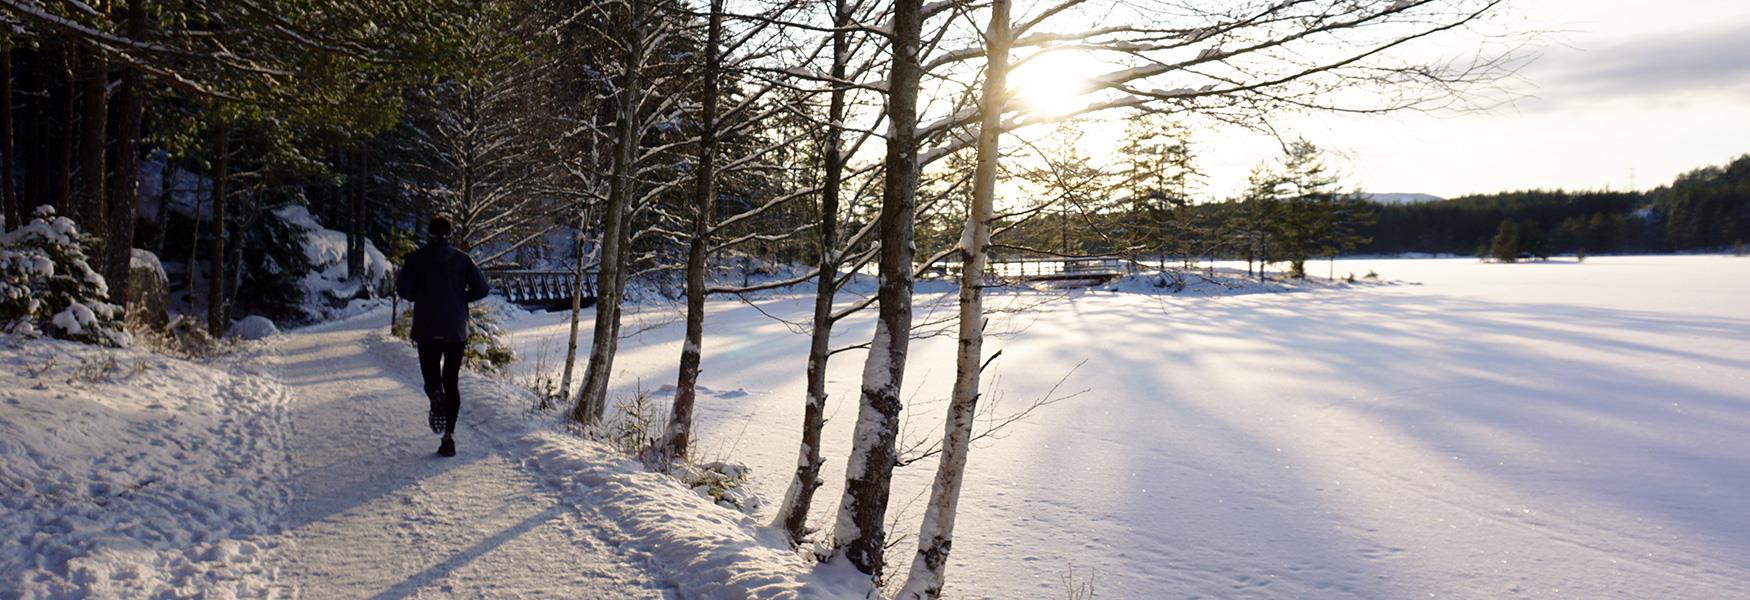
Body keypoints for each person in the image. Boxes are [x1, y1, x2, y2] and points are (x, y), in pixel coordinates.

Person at [396, 216, 491, 457]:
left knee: (432, 379)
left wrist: (421, 295)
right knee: (451, 382)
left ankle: (435, 396)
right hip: (455, 329)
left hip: (427, 329)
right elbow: (482, 289)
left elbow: (404, 290)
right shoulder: (462, 259)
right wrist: (460, 297)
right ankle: (449, 437)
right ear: (450, 235)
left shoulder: (416, 258)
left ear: (429, 234)